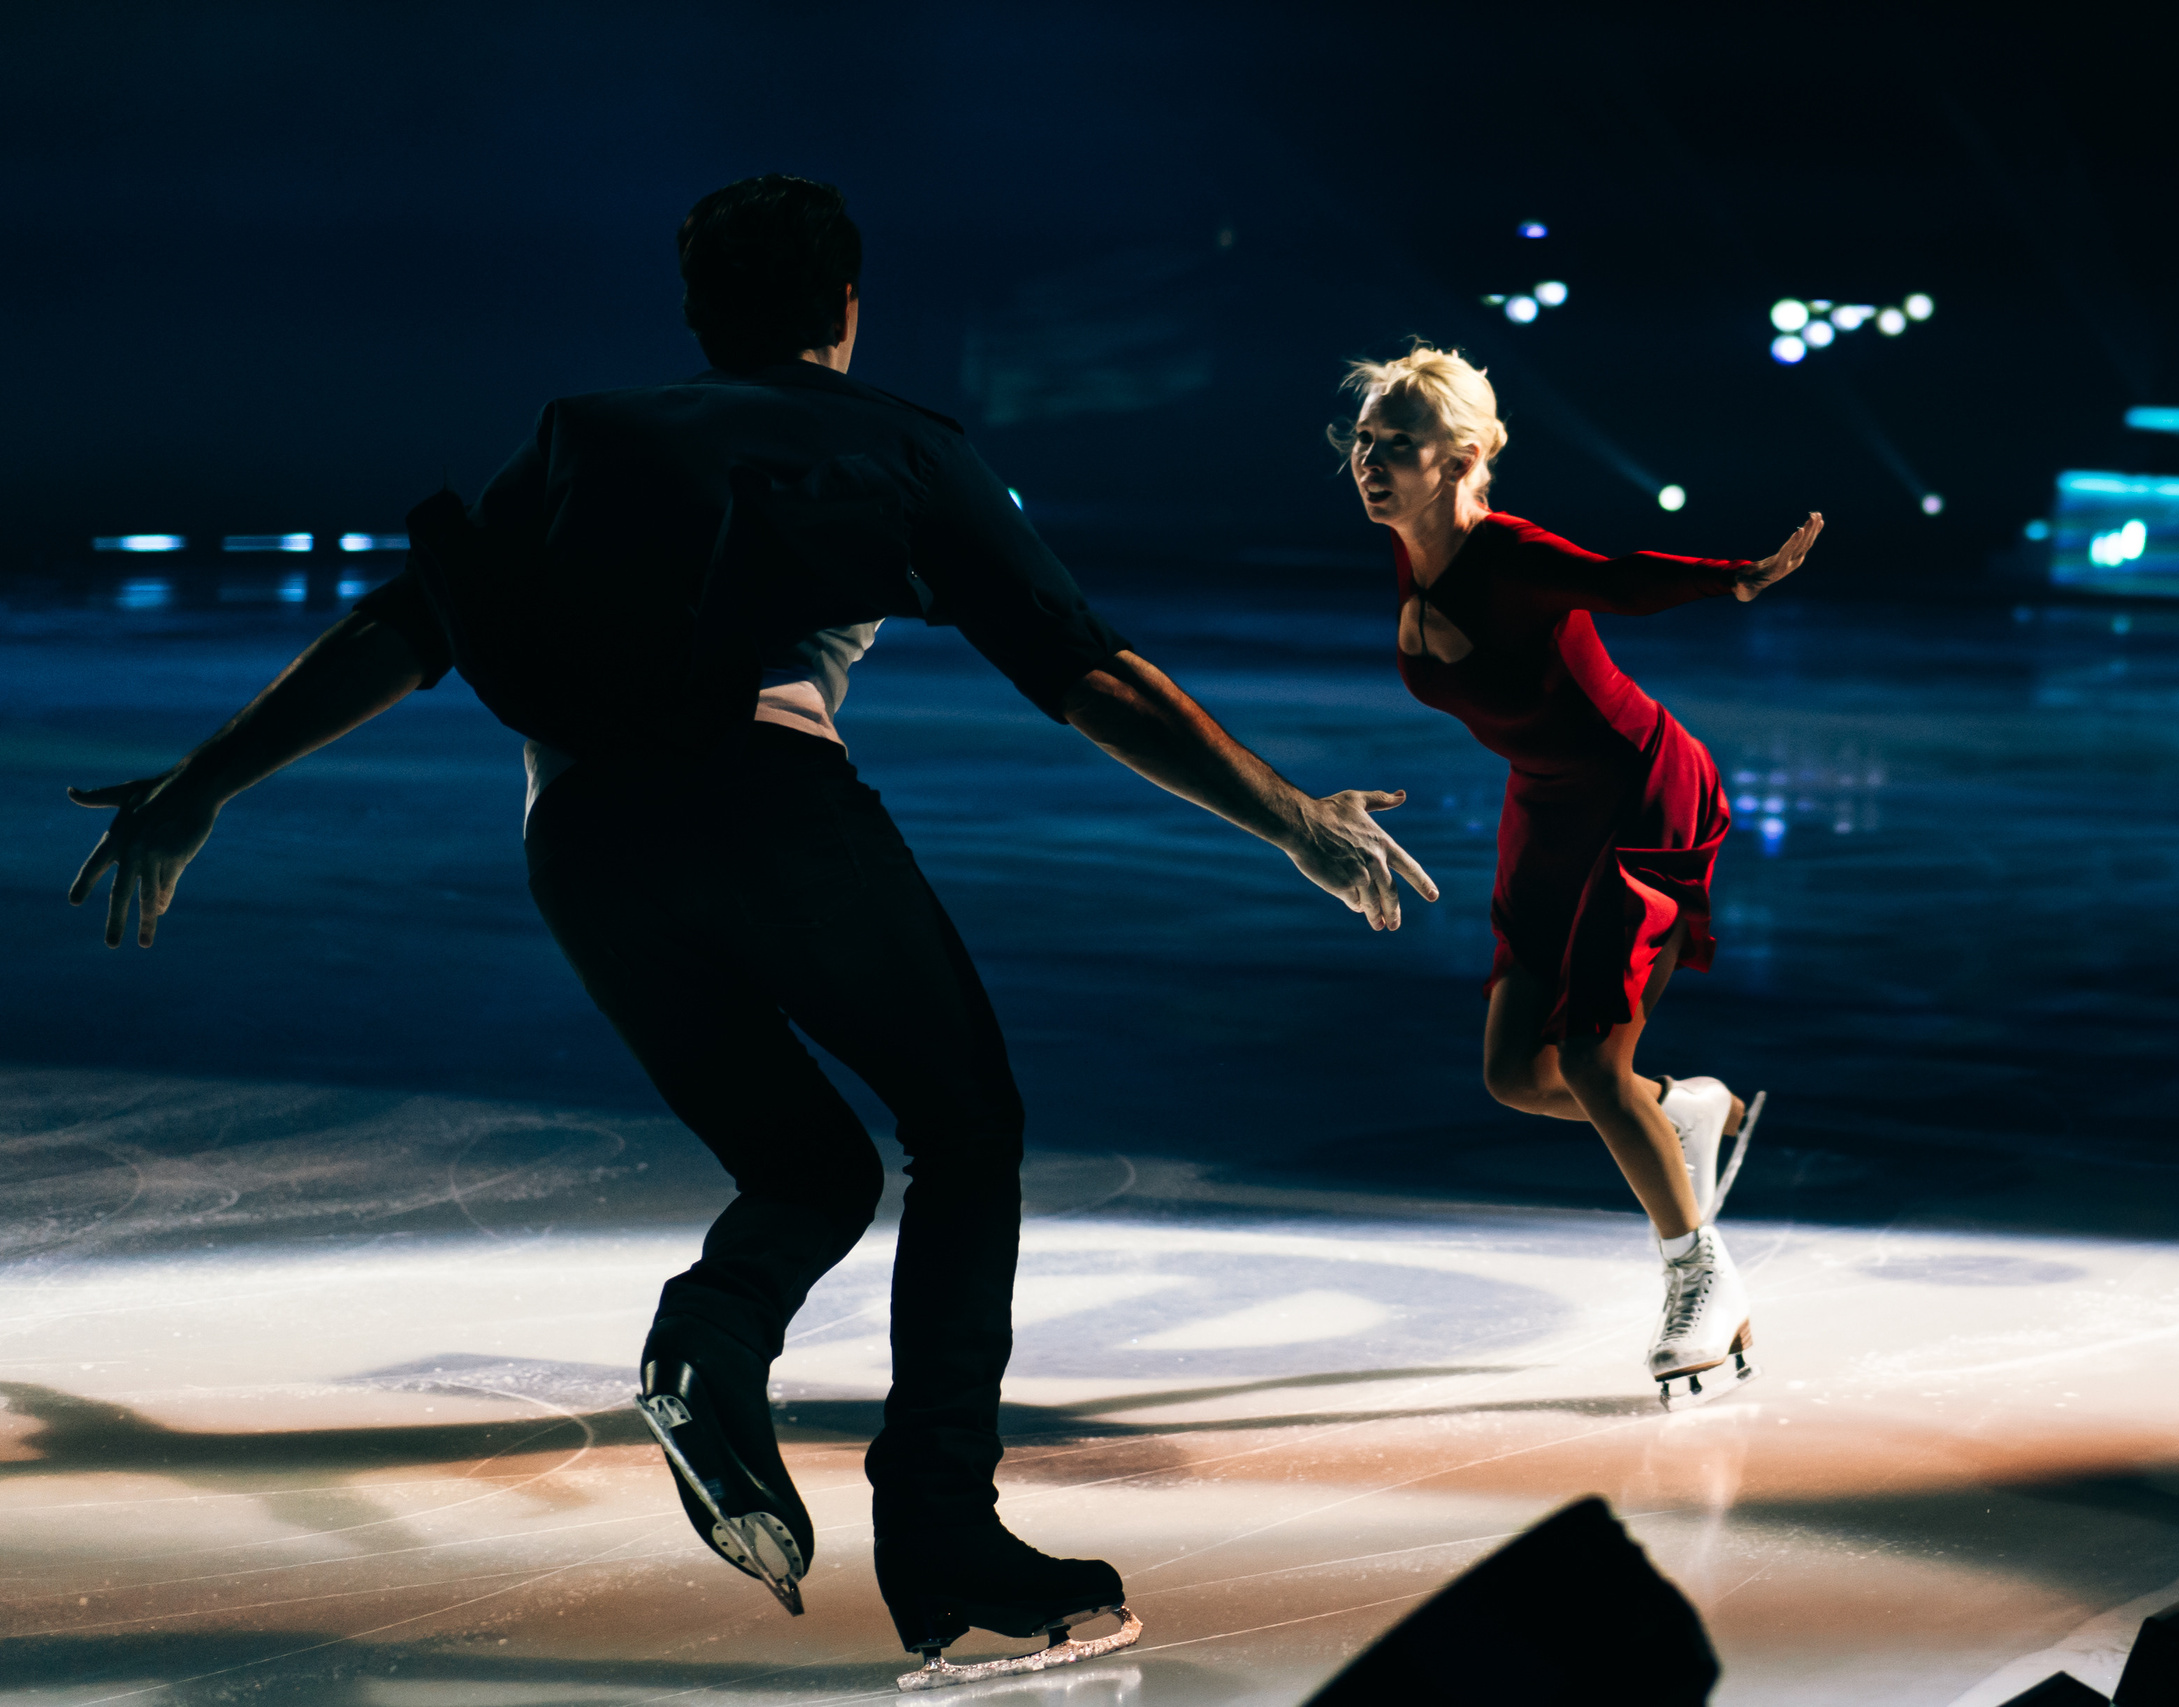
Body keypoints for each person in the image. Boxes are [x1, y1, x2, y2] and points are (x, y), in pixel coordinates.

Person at [64, 174, 1436, 1681]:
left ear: (699, 318)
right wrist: (1291, 813)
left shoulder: (590, 429)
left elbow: (411, 624)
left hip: (581, 846)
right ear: (848, 308)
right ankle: (941, 1533)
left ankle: (716, 1330)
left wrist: (204, 784)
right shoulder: (899, 440)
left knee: (812, 1165)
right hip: (766, 809)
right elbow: (1084, 670)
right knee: (965, 1131)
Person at [1334, 344, 1819, 1401]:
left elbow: (1613, 579)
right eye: (1363, 443)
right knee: (1517, 1076)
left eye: (1398, 447)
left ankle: (1703, 1284)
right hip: (1546, 807)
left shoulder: (1501, 551)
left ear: (1462, 458)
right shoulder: (1409, 551)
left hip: (1641, 794)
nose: (1370, 463)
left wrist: (1730, 576)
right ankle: (1682, 1111)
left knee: (1595, 1065)